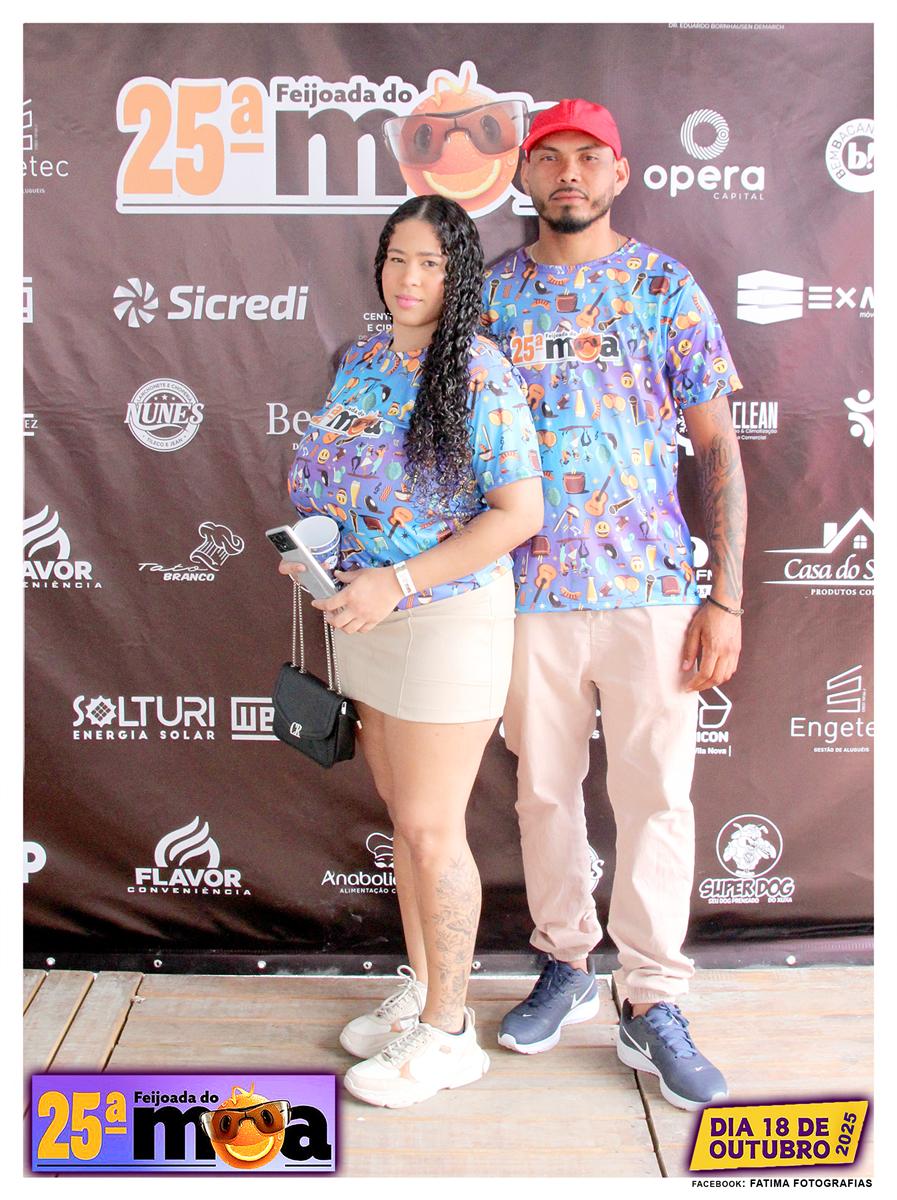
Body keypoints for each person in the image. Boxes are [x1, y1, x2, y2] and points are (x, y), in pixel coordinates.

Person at [481, 99, 747, 1111]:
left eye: (588, 158)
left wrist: (725, 597)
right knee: (544, 792)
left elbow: (717, 448)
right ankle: (564, 962)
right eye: (549, 158)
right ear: (524, 174)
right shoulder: (491, 296)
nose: (569, 174)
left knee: (656, 799)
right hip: (526, 592)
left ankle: (653, 998)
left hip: (651, 592)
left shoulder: (664, 286)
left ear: (619, 173)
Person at [280, 194, 544, 1108]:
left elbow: (519, 514)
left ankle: (449, 1032)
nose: (409, 277)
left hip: (443, 619)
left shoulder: (477, 371)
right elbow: (338, 480)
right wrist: (316, 552)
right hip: (363, 616)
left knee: (433, 828)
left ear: (457, 274)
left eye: (431, 261)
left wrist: (396, 580)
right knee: (405, 820)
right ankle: (425, 990)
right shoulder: (361, 362)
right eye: (397, 257)